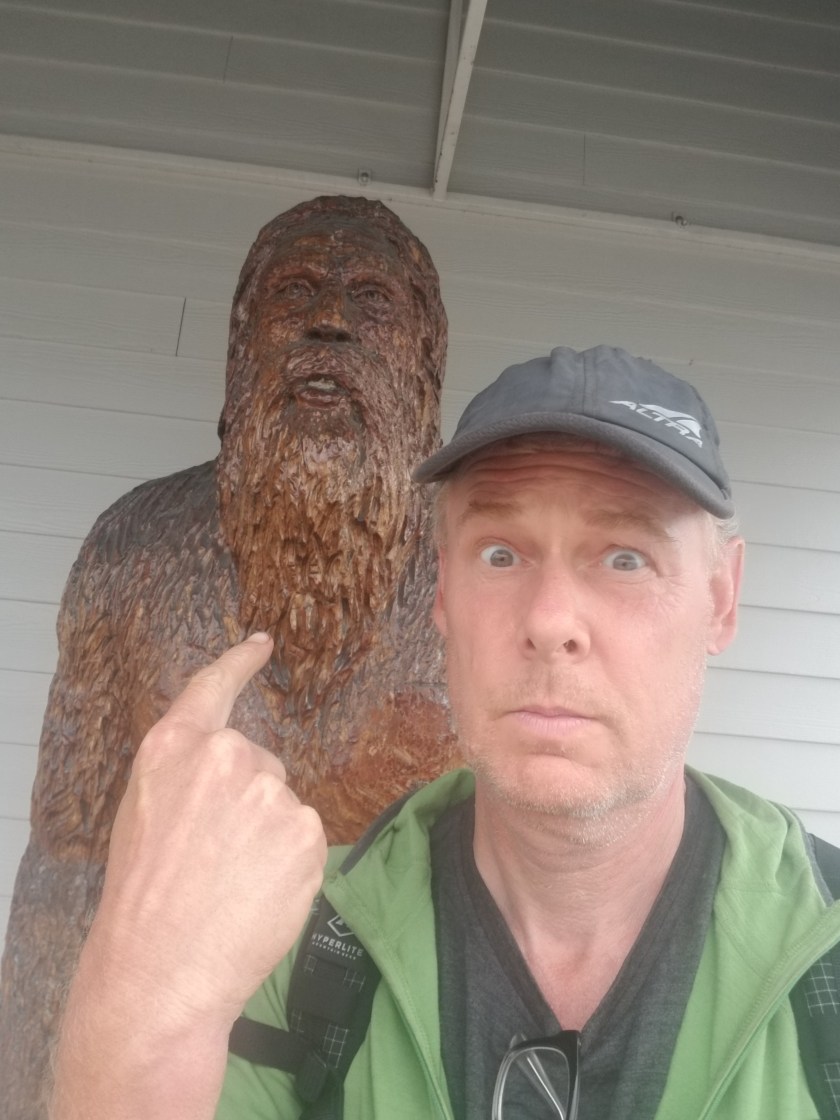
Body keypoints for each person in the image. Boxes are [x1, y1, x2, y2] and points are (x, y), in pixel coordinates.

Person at [50, 346, 840, 1119]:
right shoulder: (286, 945)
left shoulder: (824, 951)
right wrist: (144, 988)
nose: (550, 620)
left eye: (626, 559)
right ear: (442, 593)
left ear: (721, 599)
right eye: (500, 554)